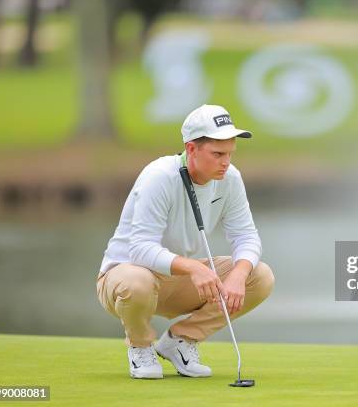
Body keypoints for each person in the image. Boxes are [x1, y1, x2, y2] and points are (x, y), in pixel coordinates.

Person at [96, 104, 274, 379]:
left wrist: (239, 274)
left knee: (259, 275)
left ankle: (180, 340)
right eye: (217, 154)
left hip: (179, 280)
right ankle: (140, 346)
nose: (225, 162)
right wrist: (194, 268)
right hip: (125, 278)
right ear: (191, 149)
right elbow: (140, 248)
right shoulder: (160, 176)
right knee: (137, 281)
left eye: (229, 153)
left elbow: (246, 236)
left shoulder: (230, 178)